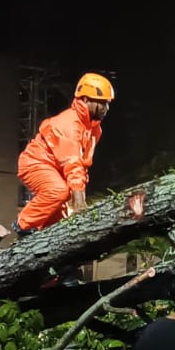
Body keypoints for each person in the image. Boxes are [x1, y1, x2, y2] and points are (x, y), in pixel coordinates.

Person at [10, 72, 114, 238]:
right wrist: (79, 202)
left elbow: (83, 164)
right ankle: (24, 225)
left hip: (58, 170)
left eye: (107, 104)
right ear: (86, 100)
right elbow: (73, 164)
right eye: (102, 103)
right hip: (36, 163)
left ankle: (47, 243)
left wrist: (79, 198)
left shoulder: (94, 130)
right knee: (58, 191)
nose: (106, 109)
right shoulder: (69, 124)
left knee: (59, 220)